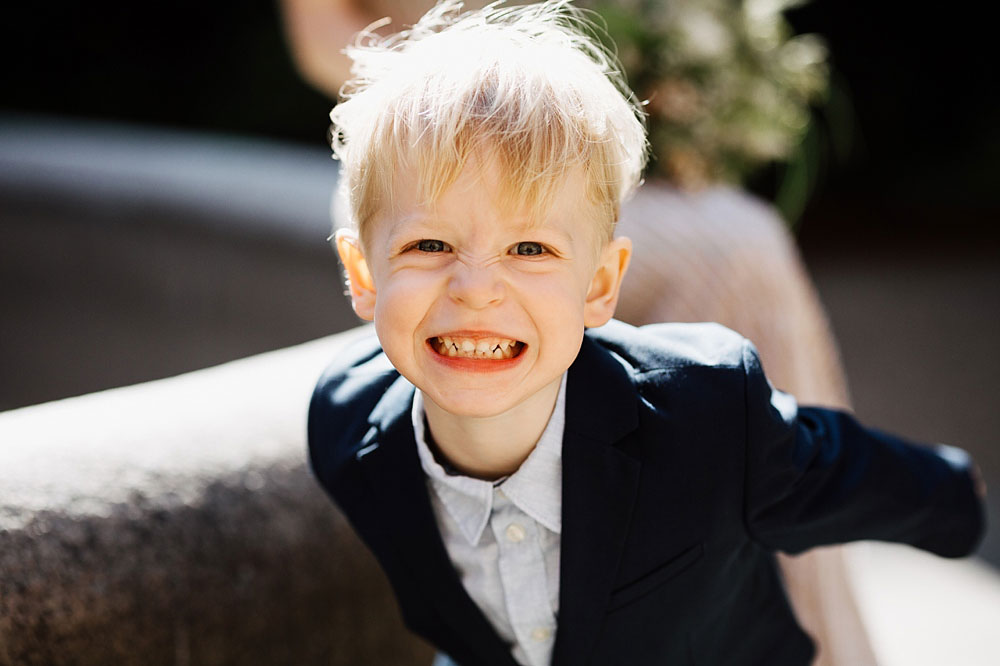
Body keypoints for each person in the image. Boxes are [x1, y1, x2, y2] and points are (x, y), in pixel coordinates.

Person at [307, 2, 985, 664]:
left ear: (601, 285)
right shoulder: (346, 431)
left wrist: (954, 497)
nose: (476, 287)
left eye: (530, 249)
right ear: (362, 274)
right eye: (430, 244)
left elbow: (834, 465)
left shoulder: (707, 417)